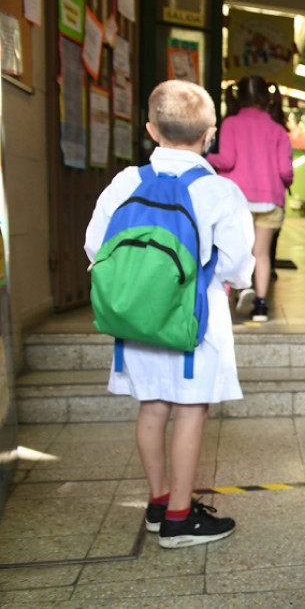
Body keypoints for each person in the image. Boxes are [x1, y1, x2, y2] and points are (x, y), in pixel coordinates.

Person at [84, 80, 254, 548]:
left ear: (151, 130)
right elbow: (239, 266)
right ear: (210, 134)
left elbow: (96, 247)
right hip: (193, 322)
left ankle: (159, 504)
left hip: (136, 320)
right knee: (190, 410)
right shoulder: (220, 192)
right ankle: (180, 518)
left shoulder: (125, 182)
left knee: (152, 408)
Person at [206, 75, 293, 322]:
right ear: (267, 98)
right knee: (261, 254)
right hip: (269, 200)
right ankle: (261, 307)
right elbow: (285, 171)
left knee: (232, 249)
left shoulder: (231, 124)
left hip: (237, 198)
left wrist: (204, 157)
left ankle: (230, 299)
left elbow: (227, 160)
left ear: (238, 97)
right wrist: (283, 183)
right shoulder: (278, 129)